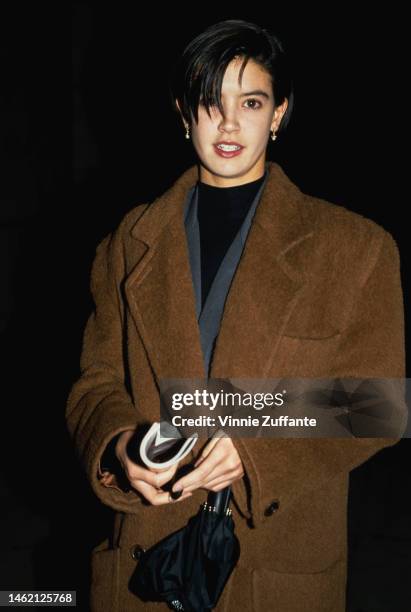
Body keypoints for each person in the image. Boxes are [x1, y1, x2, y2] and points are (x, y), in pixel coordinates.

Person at [65, 19, 407, 612]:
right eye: (209, 101)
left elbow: (377, 404)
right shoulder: (128, 241)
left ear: (279, 114)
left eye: (250, 101)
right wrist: (120, 445)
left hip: (277, 567)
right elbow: (95, 384)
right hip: (147, 557)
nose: (228, 123)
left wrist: (252, 445)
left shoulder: (356, 247)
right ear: (182, 112)